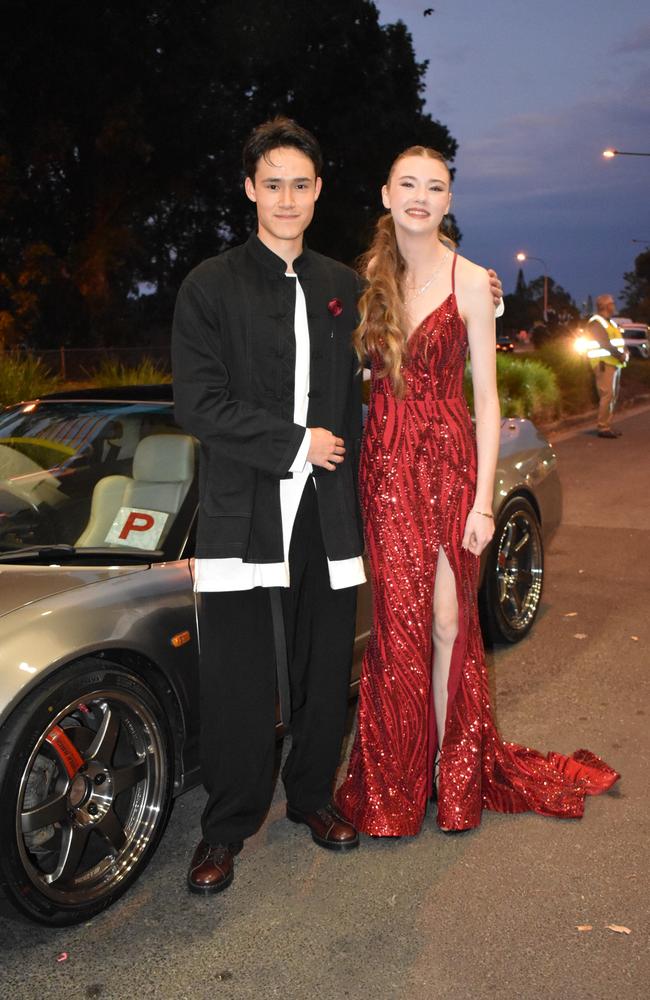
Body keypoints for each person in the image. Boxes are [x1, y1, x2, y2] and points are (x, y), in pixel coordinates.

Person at [335, 146, 619, 836]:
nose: (421, 197)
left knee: (447, 622)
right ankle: (394, 783)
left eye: (435, 187)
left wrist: (485, 500)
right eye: (409, 184)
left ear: (449, 200)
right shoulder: (367, 277)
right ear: (386, 193)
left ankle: (447, 774)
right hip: (386, 467)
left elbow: (488, 401)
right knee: (395, 627)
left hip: (449, 461)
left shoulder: (471, 282)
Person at [172, 117, 368, 894]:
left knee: (326, 670)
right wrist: (296, 443)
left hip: (328, 509)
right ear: (250, 189)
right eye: (272, 183)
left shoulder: (344, 288)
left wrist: (480, 295)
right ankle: (224, 830)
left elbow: (400, 345)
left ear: (318, 191)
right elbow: (199, 403)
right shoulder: (209, 285)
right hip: (241, 508)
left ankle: (313, 799)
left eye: (301, 183)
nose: (287, 198)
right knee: (239, 680)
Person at [585, 294, 628, 438]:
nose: (614, 306)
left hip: (613, 363)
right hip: (604, 363)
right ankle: (603, 427)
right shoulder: (596, 322)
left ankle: (607, 426)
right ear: (605, 306)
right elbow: (604, 343)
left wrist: (624, 352)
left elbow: (618, 341)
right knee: (607, 394)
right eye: (612, 303)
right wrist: (620, 355)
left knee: (611, 396)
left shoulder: (611, 323)